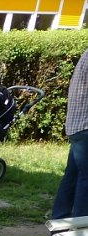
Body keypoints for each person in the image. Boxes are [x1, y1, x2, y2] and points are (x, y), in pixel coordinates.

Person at [52, 48, 88, 219]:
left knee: (72, 176)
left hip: (77, 126)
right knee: (86, 179)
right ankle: (81, 226)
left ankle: (60, 220)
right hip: (85, 126)